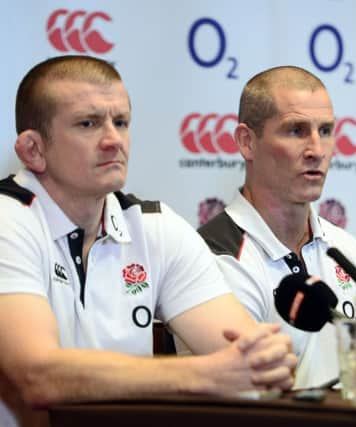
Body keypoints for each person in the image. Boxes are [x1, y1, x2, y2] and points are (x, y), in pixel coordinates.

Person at [0, 55, 297, 427]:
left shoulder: (154, 226)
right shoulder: (7, 220)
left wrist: (268, 357)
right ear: (33, 150)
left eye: (120, 122)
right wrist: (203, 376)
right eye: (88, 123)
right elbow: (37, 375)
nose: (113, 140)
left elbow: (245, 356)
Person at [198, 66, 356, 389]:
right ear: (247, 142)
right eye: (296, 130)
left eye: (326, 131)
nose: (316, 151)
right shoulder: (212, 256)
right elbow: (252, 392)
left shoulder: (346, 248)